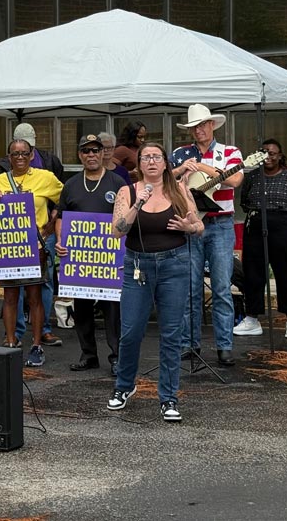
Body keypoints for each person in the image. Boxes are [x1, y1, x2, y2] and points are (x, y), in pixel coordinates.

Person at [107, 142, 203, 423]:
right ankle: (124, 386)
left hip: (174, 265)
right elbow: (117, 231)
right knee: (131, 331)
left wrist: (189, 227)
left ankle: (169, 397)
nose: (151, 162)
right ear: (139, 164)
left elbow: (198, 226)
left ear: (164, 163)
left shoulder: (180, 190)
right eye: (146, 157)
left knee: (172, 333)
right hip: (138, 265)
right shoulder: (128, 191)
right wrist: (139, 203)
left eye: (156, 157)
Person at [170, 104, 243, 367]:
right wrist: (181, 171)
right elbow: (164, 181)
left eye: (203, 125)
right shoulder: (180, 154)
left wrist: (202, 167)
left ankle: (224, 345)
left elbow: (235, 181)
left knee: (222, 286)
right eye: (194, 127)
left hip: (221, 224)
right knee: (190, 287)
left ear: (213, 125)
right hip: (191, 224)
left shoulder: (229, 152)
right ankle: (190, 344)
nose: (199, 130)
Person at [0, 138, 63, 368]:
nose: (20, 157)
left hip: (37, 246)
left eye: (24, 153)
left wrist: (51, 224)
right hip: (8, 247)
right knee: (10, 296)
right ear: (8, 157)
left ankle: (37, 344)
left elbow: (66, 200)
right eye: (15, 154)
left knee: (35, 296)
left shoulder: (45, 177)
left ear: (32, 155)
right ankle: (11, 342)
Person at [55, 135, 126, 375]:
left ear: (103, 153)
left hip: (108, 260)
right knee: (82, 308)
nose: (91, 155)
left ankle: (117, 356)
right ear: (80, 155)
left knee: (112, 310)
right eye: (86, 151)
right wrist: (60, 241)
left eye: (95, 150)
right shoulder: (71, 184)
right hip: (79, 260)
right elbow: (62, 217)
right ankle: (88, 355)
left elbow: (127, 218)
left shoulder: (117, 183)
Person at [233, 139, 287, 339]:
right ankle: (252, 318)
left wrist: (286, 222)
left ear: (280, 156)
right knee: (253, 274)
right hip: (256, 226)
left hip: (283, 227)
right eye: (265, 152)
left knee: (286, 273)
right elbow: (245, 202)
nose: (268, 156)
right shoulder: (252, 178)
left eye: (273, 153)